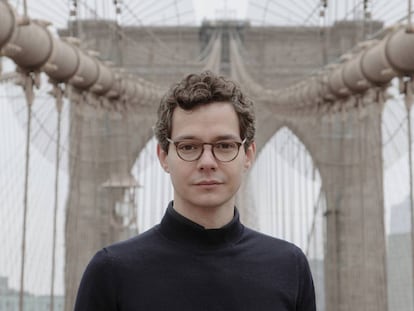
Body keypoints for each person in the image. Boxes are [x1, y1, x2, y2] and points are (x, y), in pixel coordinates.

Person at [74, 71, 316, 311]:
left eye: (224, 146)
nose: (207, 161)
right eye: (188, 147)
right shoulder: (111, 273)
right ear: (163, 156)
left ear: (248, 155)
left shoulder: (289, 268)